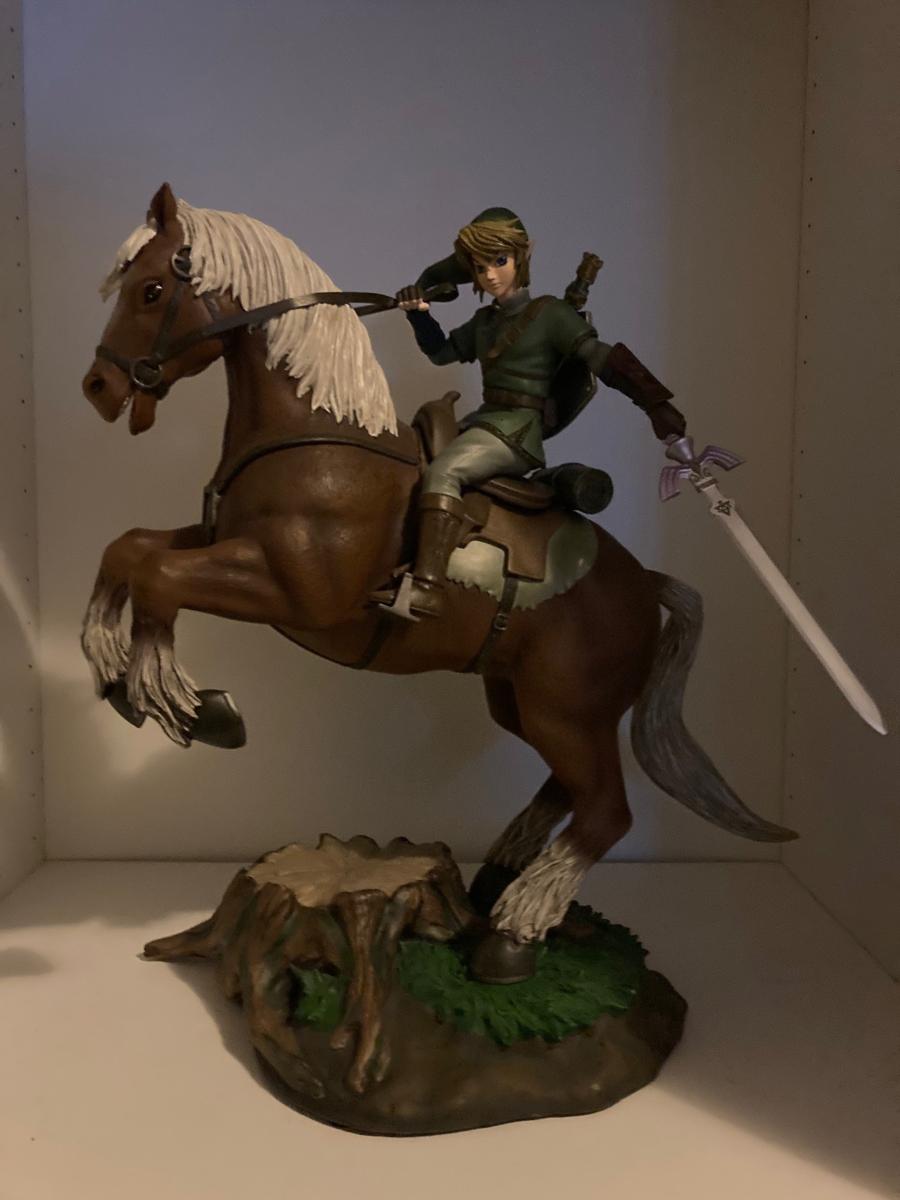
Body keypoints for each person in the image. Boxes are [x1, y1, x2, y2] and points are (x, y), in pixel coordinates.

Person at [390, 207, 686, 619]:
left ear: (522, 255)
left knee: (444, 472)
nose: (491, 275)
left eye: (499, 261)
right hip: (483, 422)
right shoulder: (484, 322)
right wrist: (419, 314)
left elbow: (598, 356)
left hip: (516, 432)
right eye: (480, 267)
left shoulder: (551, 314)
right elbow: (441, 353)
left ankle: (426, 588)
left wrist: (654, 403)